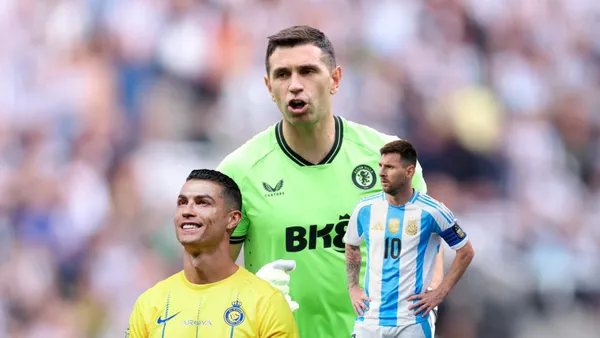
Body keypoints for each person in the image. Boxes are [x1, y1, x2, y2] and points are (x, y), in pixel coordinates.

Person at [216, 25, 444, 338]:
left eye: (308, 71)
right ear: (269, 87)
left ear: (335, 79)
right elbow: (208, 279)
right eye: (283, 75)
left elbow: (428, 255)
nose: (295, 85)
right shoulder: (238, 173)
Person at [125, 169, 299, 338]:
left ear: (232, 219)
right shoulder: (149, 303)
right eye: (182, 202)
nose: (187, 211)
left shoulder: (267, 303)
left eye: (202, 203)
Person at [344, 140, 475, 338]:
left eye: (389, 167)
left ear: (409, 171)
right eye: (380, 166)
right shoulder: (365, 208)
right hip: (371, 317)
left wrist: (440, 293)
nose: (381, 173)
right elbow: (352, 245)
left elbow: (465, 251)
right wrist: (353, 288)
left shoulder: (432, 211)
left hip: (412, 320)